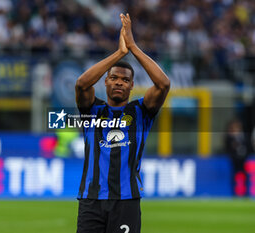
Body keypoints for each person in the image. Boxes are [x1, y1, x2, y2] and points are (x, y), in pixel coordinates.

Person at [75, 13, 170, 233]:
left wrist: (133, 47)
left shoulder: (141, 111)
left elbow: (163, 84)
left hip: (126, 201)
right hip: (91, 200)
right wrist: (119, 53)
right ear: (105, 82)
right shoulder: (91, 110)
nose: (119, 82)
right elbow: (81, 84)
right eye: (114, 78)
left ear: (131, 86)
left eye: (125, 80)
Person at [225, 119, 249, 197]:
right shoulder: (230, 137)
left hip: (243, 159)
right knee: (234, 176)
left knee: (245, 176)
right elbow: (227, 148)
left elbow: (248, 146)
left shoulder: (244, 136)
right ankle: (234, 193)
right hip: (234, 159)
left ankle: (246, 193)